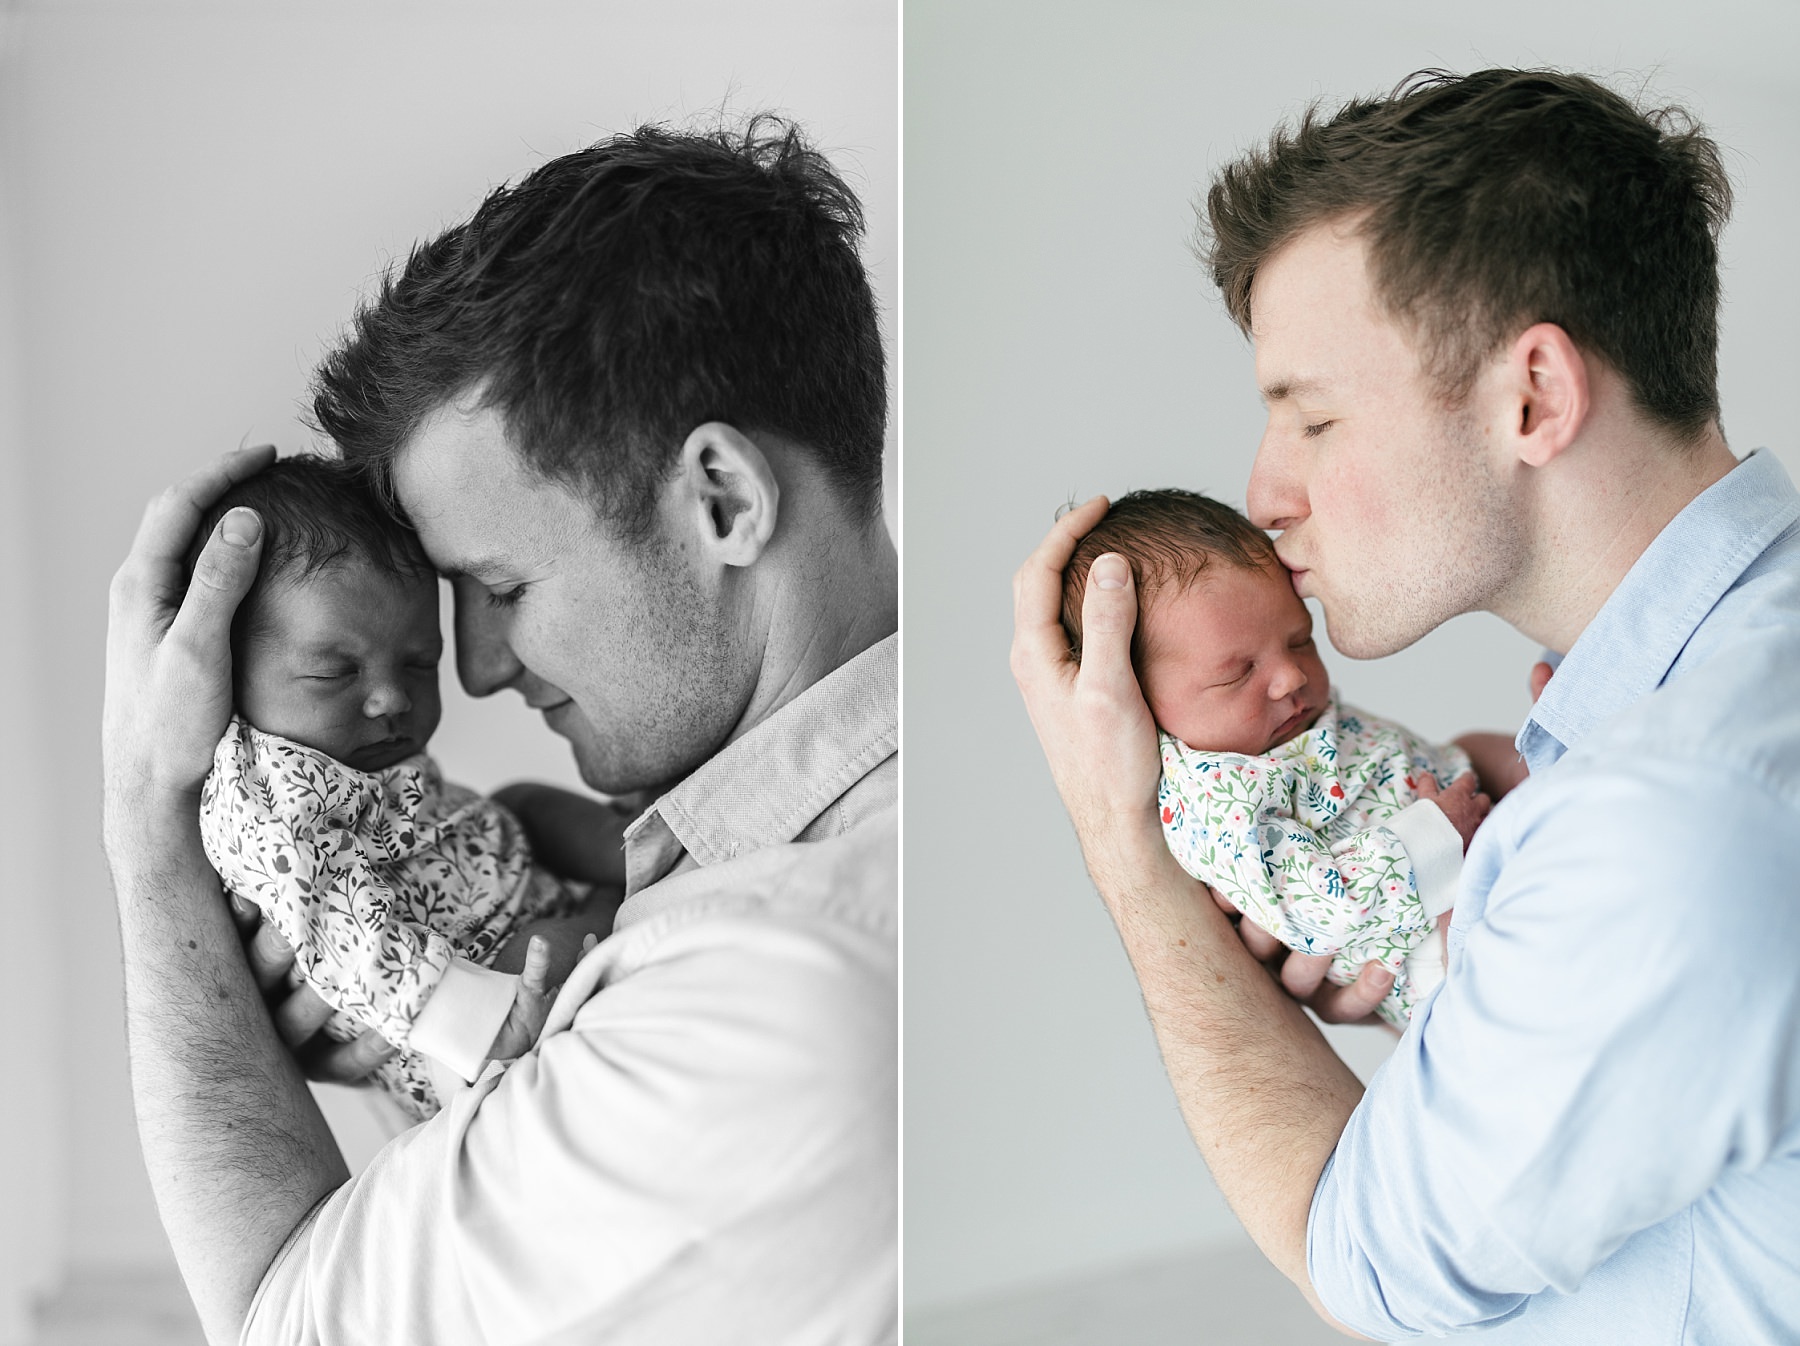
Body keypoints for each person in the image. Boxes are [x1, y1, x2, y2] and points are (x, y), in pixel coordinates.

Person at [1011, 68, 1800, 1341]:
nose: (1263, 492)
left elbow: (1375, 1270)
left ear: (1531, 397)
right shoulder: (1684, 727)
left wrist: (1125, 843)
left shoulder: (1662, 817)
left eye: (1311, 417)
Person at [104, 116, 897, 1345]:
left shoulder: (772, 982)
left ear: (724, 499)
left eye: (504, 587)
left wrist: (148, 820)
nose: (468, 671)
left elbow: (283, 1319)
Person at [193, 454, 628, 1123]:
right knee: (559, 946)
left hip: (497, 889)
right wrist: (466, 1016)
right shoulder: (262, 795)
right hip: (468, 993)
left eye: (420, 663)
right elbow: (329, 922)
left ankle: (632, 852)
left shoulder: (341, 758)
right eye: (336, 672)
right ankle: (629, 890)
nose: (393, 698)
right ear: (225, 670)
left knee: (521, 804)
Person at [1059, 488, 1489, 1027]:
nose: (1291, 676)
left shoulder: (1285, 724)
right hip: (1435, 952)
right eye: (1237, 674)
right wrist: (1438, 834)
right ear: (1139, 700)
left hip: (1479, 851)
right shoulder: (1213, 795)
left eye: (1300, 640)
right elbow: (1315, 910)